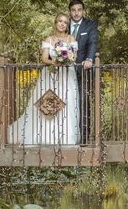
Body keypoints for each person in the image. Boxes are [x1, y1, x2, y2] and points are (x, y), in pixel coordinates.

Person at [6, 13, 80, 145]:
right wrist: (55, 62)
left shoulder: (71, 38)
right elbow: (44, 58)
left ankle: (65, 137)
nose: (62, 24)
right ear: (55, 23)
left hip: (66, 76)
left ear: (67, 25)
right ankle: (45, 136)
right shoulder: (49, 39)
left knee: (67, 103)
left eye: (65, 22)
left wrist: (66, 60)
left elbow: (73, 57)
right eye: (60, 21)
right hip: (50, 74)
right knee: (49, 101)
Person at [68, 0, 99, 145]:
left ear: (83, 11)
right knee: (66, 102)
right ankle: (66, 136)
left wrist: (89, 59)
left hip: (83, 71)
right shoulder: (64, 25)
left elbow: (93, 42)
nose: (76, 13)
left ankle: (84, 138)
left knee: (83, 103)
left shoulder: (90, 25)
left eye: (79, 10)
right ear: (70, 11)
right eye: (73, 10)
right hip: (66, 72)